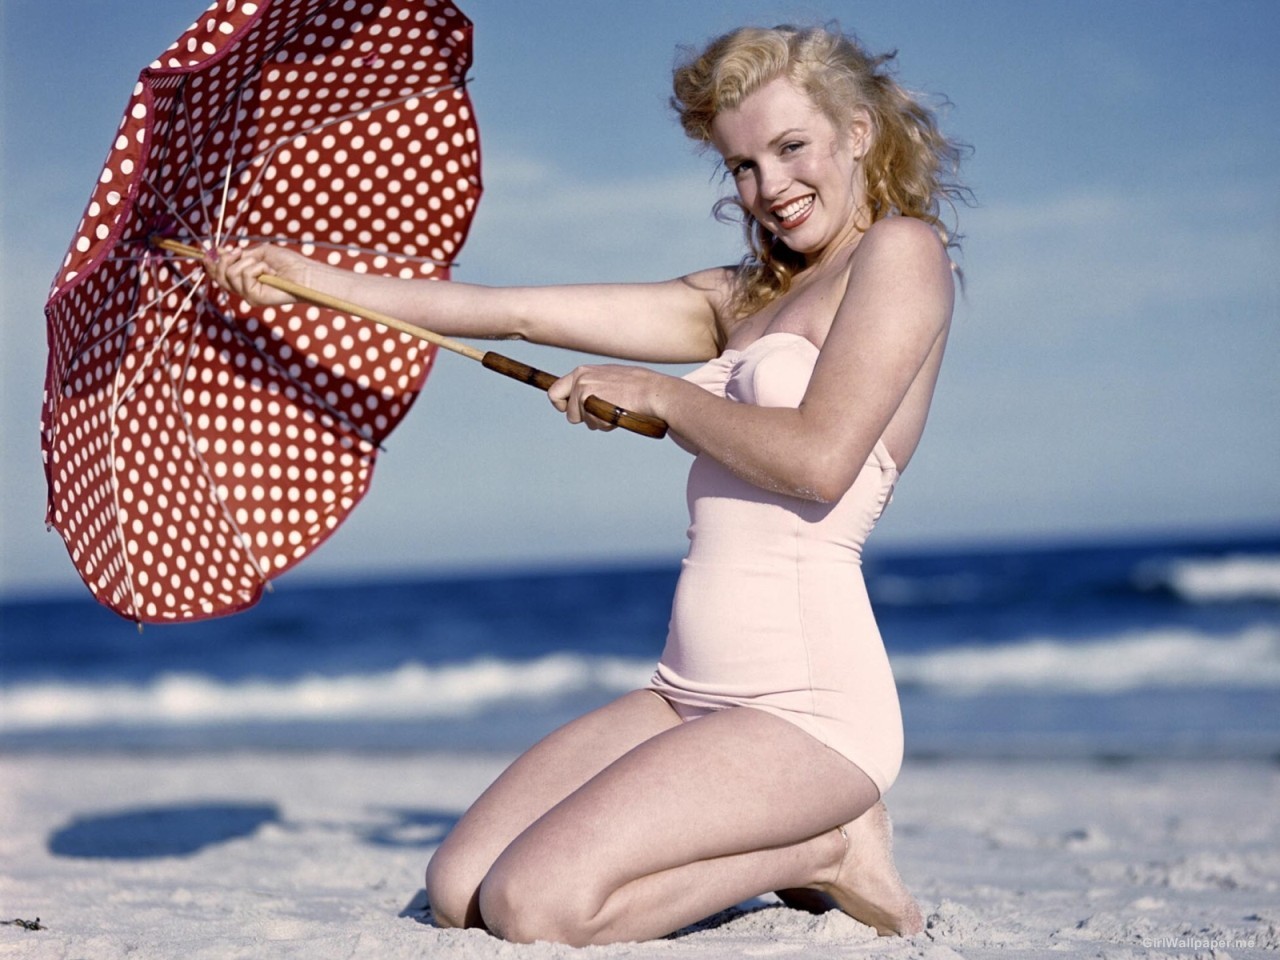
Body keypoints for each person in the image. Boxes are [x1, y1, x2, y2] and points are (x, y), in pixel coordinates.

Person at [209, 22, 964, 947]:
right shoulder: (740, 300)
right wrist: (312, 281)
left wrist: (662, 395)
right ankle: (805, 844)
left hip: (810, 710)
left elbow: (819, 461)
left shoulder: (900, 254)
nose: (770, 186)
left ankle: (828, 846)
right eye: (742, 165)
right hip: (689, 689)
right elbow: (514, 313)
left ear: (857, 131)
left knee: (535, 907)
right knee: (459, 889)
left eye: (790, 147)